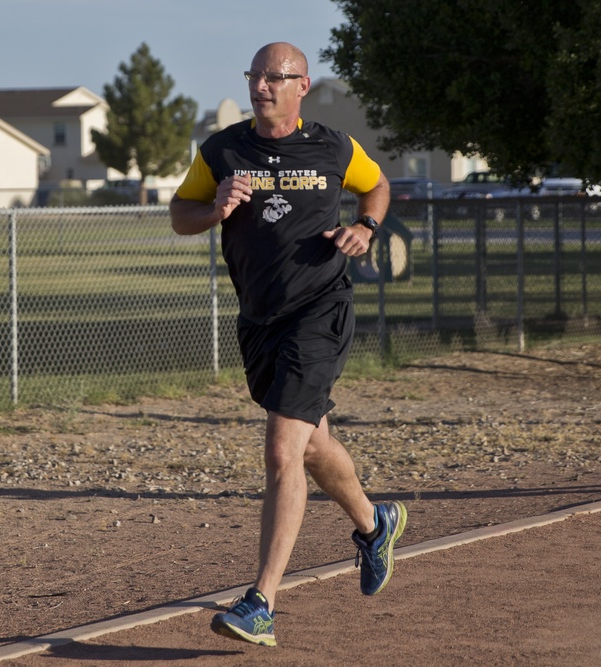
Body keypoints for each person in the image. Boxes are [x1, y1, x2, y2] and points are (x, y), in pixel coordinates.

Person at [169, 42, 406, 648]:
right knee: (309, 444)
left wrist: (366, 227)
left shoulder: (332, 146)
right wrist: (215, 207)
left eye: (276, 77)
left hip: (320, 310)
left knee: (281, 450)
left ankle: (261, 603)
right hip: (259, 320)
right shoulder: (223, 149)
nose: (261, 86)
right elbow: (180, 212)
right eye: (255, 76)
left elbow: (376, 186)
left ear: (302, 85)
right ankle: (374, 524)